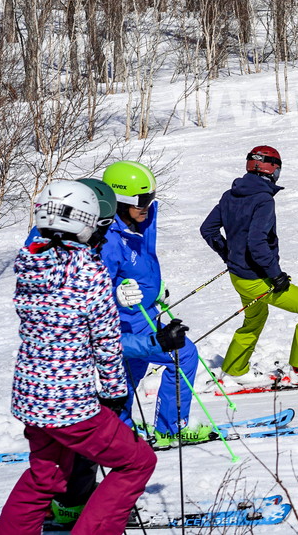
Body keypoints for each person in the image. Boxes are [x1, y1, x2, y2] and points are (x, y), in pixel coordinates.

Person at [0, 181, 157, 535]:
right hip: (70, 405)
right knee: (138, 462)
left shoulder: (30, 263)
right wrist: (114, 392)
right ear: (87, 224)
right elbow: (105, 340)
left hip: (32, 400)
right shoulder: (89, 271)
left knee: (46, 477)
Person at [100, 160, 212, 447]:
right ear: (120, 201)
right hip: (123, 323)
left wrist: (155, 291)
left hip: (144, 315)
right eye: (141, 200)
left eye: (150, 198)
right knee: (182, 354)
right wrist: (115, 294)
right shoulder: (109, 241)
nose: (147, 206)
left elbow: (140, 265)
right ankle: (166, 428)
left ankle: (119, 427)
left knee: (130, 375)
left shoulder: (136, 224)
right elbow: (92, 290)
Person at [200, 146, 298, 387]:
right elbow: (257, 242)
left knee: (255, 319)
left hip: (238, 276)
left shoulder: (230, 195)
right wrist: (275, 275)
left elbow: (208, 229)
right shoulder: (263, 199)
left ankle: (235, 369)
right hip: (257, 278)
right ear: (273, 170)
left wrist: (229, 255)